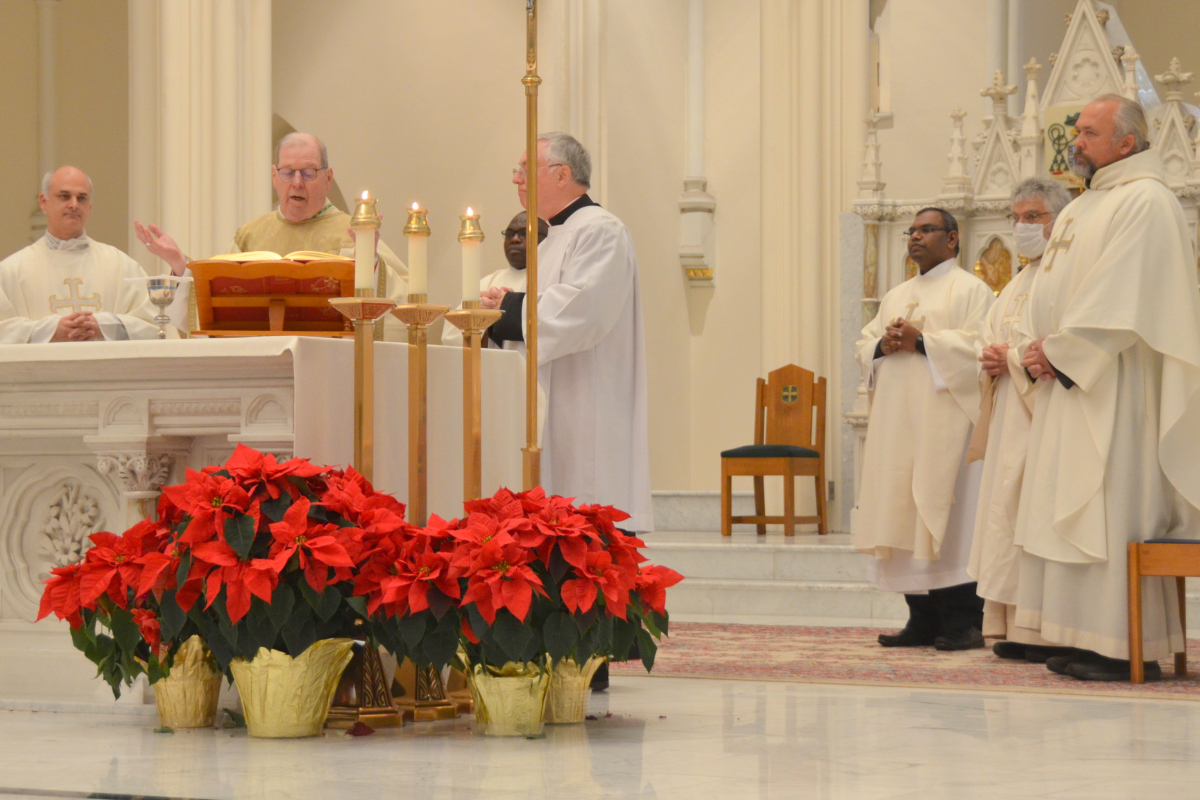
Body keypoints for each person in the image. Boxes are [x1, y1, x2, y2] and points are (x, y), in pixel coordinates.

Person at [1014, 95, 1200, 682]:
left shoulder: (1148, 200)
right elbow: (1048, 285)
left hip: (1116, 384)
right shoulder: (1080, 206)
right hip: (1069, 381)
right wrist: (1038, 345)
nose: (1077, 142)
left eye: (1090, 132)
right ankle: (1083, 637)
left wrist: (1061, 352)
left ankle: (1125, 645)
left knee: (1110, 504)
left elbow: (1122, 295)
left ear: (1127, 142)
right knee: (1070, 505)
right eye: (1077, 132)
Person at [482, 132, 653, 534]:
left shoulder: (599, 230)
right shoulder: (550, 238)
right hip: (549, 401)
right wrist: (505, 304)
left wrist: (508, 309)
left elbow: (583, 309)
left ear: (562, 175)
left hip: (584, 401)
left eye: (525, 169)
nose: (516, 179)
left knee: (582, 503)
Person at [854, 208, 995, 651]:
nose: (915, 237)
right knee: (900, 515)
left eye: (927, 230)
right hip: (897, 424)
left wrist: (924, 342)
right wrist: (883, 344)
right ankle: (921, 619)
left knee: (947, 520)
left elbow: (978, 347)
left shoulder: (972, 290)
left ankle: (962, 622)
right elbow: (865, 343)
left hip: (946, 425)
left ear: (952, 239)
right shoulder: (896, 294)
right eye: (911, 231)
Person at [134, 132, 408, 336]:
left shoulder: (354, 232)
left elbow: (401, 306)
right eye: (288, 172)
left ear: (328, 177)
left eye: (309, 172)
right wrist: (181, 266)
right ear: (275, 177)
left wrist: (369, 262)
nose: (297, 182)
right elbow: (212, 305)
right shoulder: (250, 236)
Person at [968, 177, 1076, 664]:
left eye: (1033, 217)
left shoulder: (1068, 273)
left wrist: (1008, 358)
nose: (1022, 226)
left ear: (1061, 219)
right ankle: (1012, 624)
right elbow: (991, 337)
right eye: (1016, 218)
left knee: (1033, 513)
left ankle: (1045, 629)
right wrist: (990, 359)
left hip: (1047, 414)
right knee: (1004, 515)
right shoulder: (1015, 281)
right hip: (1011, 409)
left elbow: (1057, 344)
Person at [0, 166, 164, 343]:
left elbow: (155, 328)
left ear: (90, 207)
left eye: (82, 198)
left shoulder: (120, 265)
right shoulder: (12, 270)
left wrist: (103, 326)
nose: (74, 204)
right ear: (43, 201)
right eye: (64, 196)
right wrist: (50, 331)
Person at [441, 211, 548, 350]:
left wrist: (507, 310)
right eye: (509, 234)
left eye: (524, 233)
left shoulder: (549, 280)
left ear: (546, 239)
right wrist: (484, 322)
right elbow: (449, 336)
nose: (514, 239)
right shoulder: (487, 282)